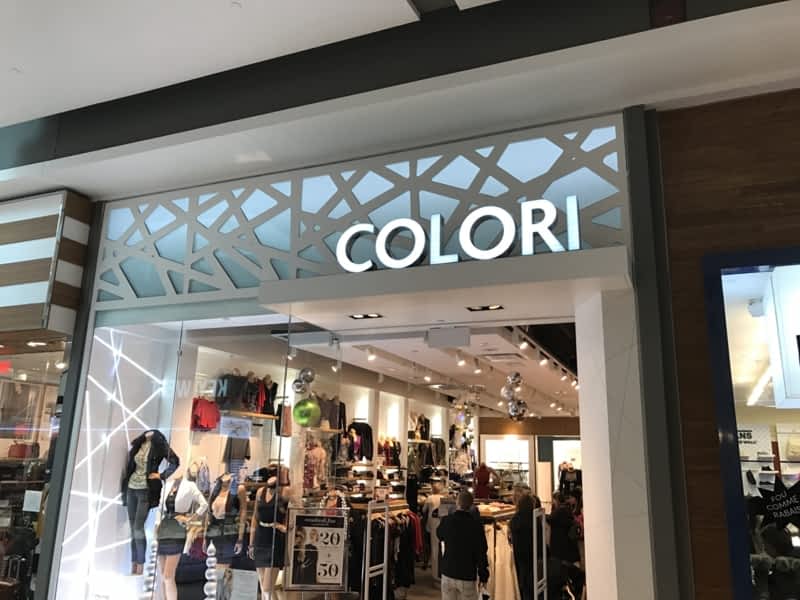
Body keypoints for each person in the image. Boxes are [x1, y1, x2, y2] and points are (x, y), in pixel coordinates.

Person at [437, 490, 489, 600]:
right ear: (471, 505)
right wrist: (483, 576)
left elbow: (439, 535)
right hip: (466, 574)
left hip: (448, 572)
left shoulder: (447, 521)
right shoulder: (476, 526)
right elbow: (481, 552)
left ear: (457, 503)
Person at [509, 493, 543, 600]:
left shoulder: (515, 520)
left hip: (520, 555)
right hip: (533, 554)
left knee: (523, 583)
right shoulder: (535, 519)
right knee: (533, 583)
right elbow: (539, 539)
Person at [422, 481, 445, 579]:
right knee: (441, 547)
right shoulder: (443, 498)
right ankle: (441, 571)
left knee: (434, 547)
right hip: (442, 523)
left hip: (432, 524)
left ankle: (435, 572)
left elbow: (424, 510)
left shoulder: (430, 498)